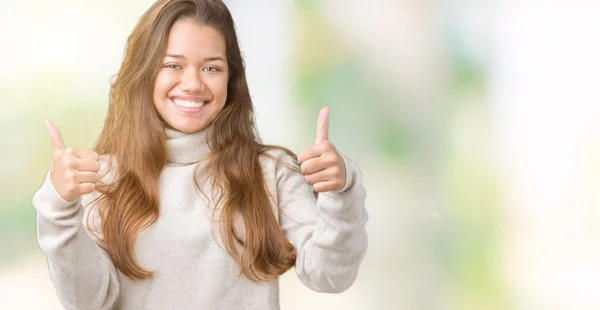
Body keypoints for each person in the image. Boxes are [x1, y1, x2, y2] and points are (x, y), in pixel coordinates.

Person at [32, 0, 368, 309]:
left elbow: (330, 276)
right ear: (145, 72)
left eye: (211, 68)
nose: (192, 83)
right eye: (173, 65)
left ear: (232, 78)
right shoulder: (102, 181)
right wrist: (58, 207)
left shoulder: (270, 173)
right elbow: (85, 300)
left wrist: (341, 193)